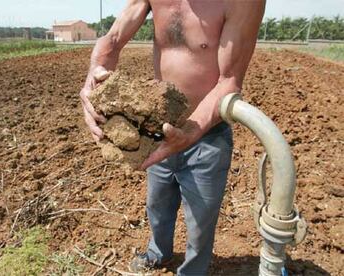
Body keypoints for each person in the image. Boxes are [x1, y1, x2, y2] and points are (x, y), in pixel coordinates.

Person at [80, 0, 265, 275]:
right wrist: (93, 79)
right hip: (159, 129)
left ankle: (192, 271)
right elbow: (114, 38)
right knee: (157, 204)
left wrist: (191, 130)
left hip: (207, 136)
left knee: (201, 222)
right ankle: (158, 253)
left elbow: (229, 80)